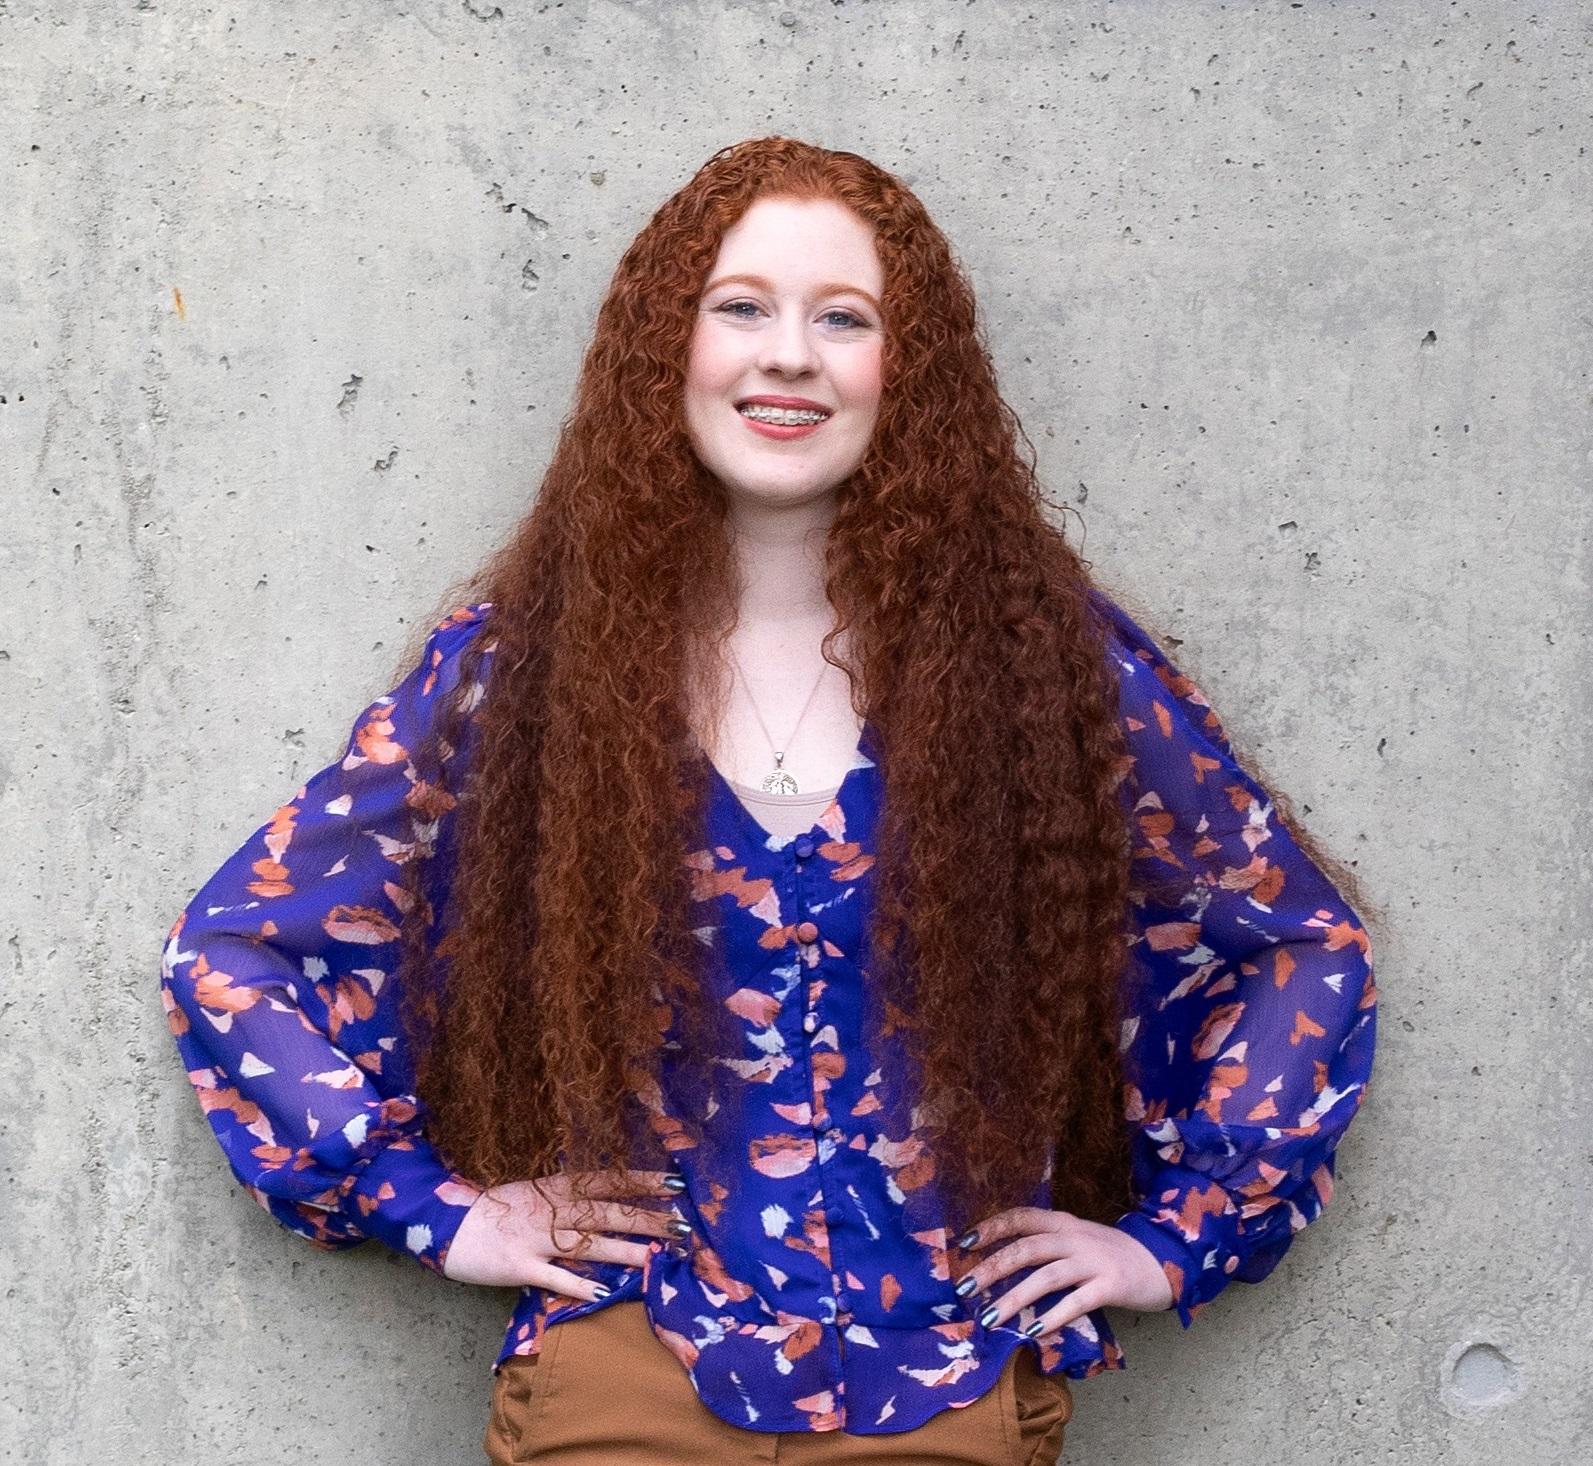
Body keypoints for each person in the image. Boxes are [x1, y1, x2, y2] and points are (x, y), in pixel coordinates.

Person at [160, 136, 1378, 1465]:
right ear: (663, 348)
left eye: (841, 318)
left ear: (904, 372)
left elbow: (1298, 946)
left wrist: (1173, 1239)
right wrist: (440, 1212)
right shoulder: (527, 665)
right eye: (738, 306)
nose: (785, 353)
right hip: (624, 1379)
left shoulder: (1041, 664)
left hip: (946, 1384)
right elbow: (239, 949)